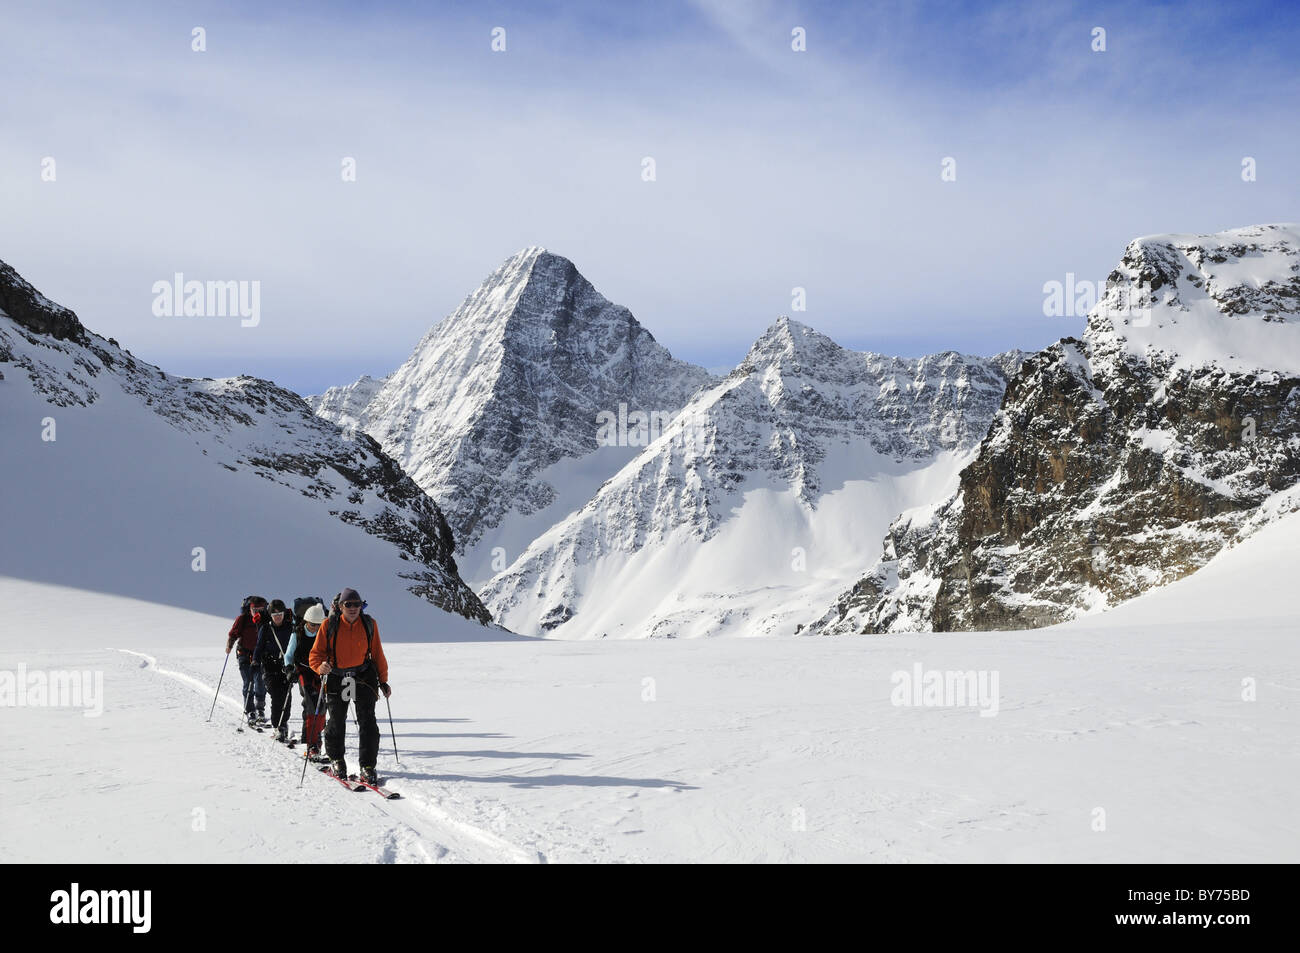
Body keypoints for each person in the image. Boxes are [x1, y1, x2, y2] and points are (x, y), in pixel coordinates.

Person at [308, 588, 391, 785]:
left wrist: (383, 680)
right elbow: (315, 655)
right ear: (340, 606)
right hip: (337, 677)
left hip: (363, 677)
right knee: (337, 721)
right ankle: (337, 760)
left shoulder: (369, 624)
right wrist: (320, 667)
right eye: (348, 604)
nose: (353, 608)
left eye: (357, 604)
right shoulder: (329, 625)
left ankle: (368, 766)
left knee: (368, 722)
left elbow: (377, 653)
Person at [285, 600, 327, 760]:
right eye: (312, 624)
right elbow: (289, 655)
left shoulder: (324, 633)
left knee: (322, 706)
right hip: (303, 671)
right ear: (306, 621)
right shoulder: (297, 634)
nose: (315, 628)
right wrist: (289, 669)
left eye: (318, 625)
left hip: (320, 672)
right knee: (312, 703)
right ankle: (312, 745)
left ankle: (317, 740)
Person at [252, 599, 295, 742]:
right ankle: (278, 727)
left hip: (286, 667)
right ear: (270, 615)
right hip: (269, 667)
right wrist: (255, 660)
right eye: (275, 614)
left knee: (286, 697)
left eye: (280, 614)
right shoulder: (266, 628)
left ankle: (283, 724)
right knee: (276, 696)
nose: (278, 617)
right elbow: (259, 646)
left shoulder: (290, 627)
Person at [226, 596, 268, 726]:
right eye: (254, 609)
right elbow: (233, 634)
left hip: (260, 655)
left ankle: (260, 709)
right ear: (249, 609)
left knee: (260, 682)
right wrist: (229, 645)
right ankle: (250, 710)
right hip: (244, 653)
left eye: (260, 609)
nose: (257, 612)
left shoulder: (266, 620)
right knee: (248, 682)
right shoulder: (243, 619)